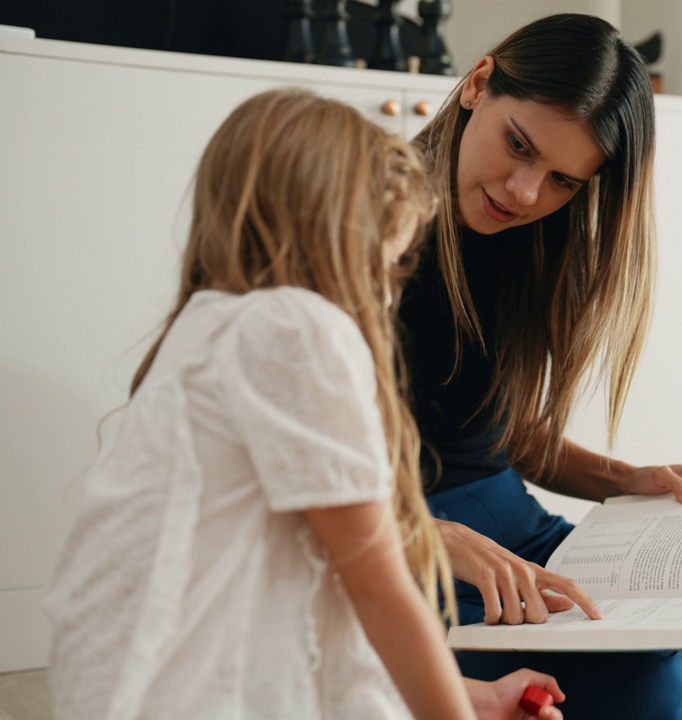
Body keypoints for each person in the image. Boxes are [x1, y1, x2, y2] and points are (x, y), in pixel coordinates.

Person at [43, 88, 565, 720]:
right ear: (337, 236)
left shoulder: (206, 328)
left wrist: (475, 699)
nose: (387, 295)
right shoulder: (298, 330)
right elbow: (379, 594)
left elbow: (321, 614)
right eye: (387, 265)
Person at [400, 13, 682, 719]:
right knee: (659, 694)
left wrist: (622, 480)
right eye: (517, 145)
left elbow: (491, 431)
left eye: (562, 181)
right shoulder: (353, 224)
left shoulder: (529, 242)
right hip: (398, 543)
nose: (525, 193)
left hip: (511, 526)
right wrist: (433, 534)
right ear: (478, 85)